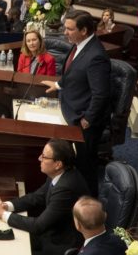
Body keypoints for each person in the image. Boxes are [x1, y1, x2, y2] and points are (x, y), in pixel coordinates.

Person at [0, 139, 89, 255]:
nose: (39, 158)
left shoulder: (66, 188)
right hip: (49, 234)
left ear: (58, 164)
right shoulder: (57, 174)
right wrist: (6, 206)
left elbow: (38, 226)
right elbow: (36, 197)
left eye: (44, 157)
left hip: (58, 248)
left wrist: (2, 215)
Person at [42, 13, 111, 195]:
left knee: (85, 167)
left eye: (70, 29)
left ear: (84, 30)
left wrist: (87, 119)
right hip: (69, 112)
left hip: (83, 122)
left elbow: (101, 94)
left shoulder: (97, 56)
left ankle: (90, 209)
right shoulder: (79, 46)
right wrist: (58, 84)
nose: (65, 32)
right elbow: (73, 72)